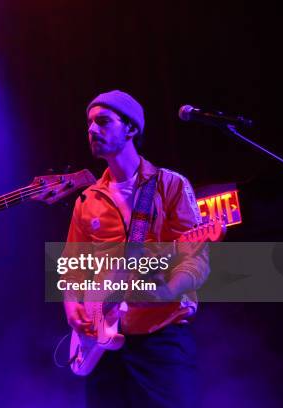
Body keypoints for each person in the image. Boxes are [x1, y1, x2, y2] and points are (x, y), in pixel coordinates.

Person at [63, 90, 209, 407]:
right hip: (101, 343)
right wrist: (72, 307)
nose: (91, 130)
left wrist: (168, 290)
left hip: (162, 336)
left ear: (131, 128)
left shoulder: (170, 185)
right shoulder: (87, 200)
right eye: (89, 123)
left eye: (102, 121)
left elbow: (195, 261)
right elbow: (72, 266)